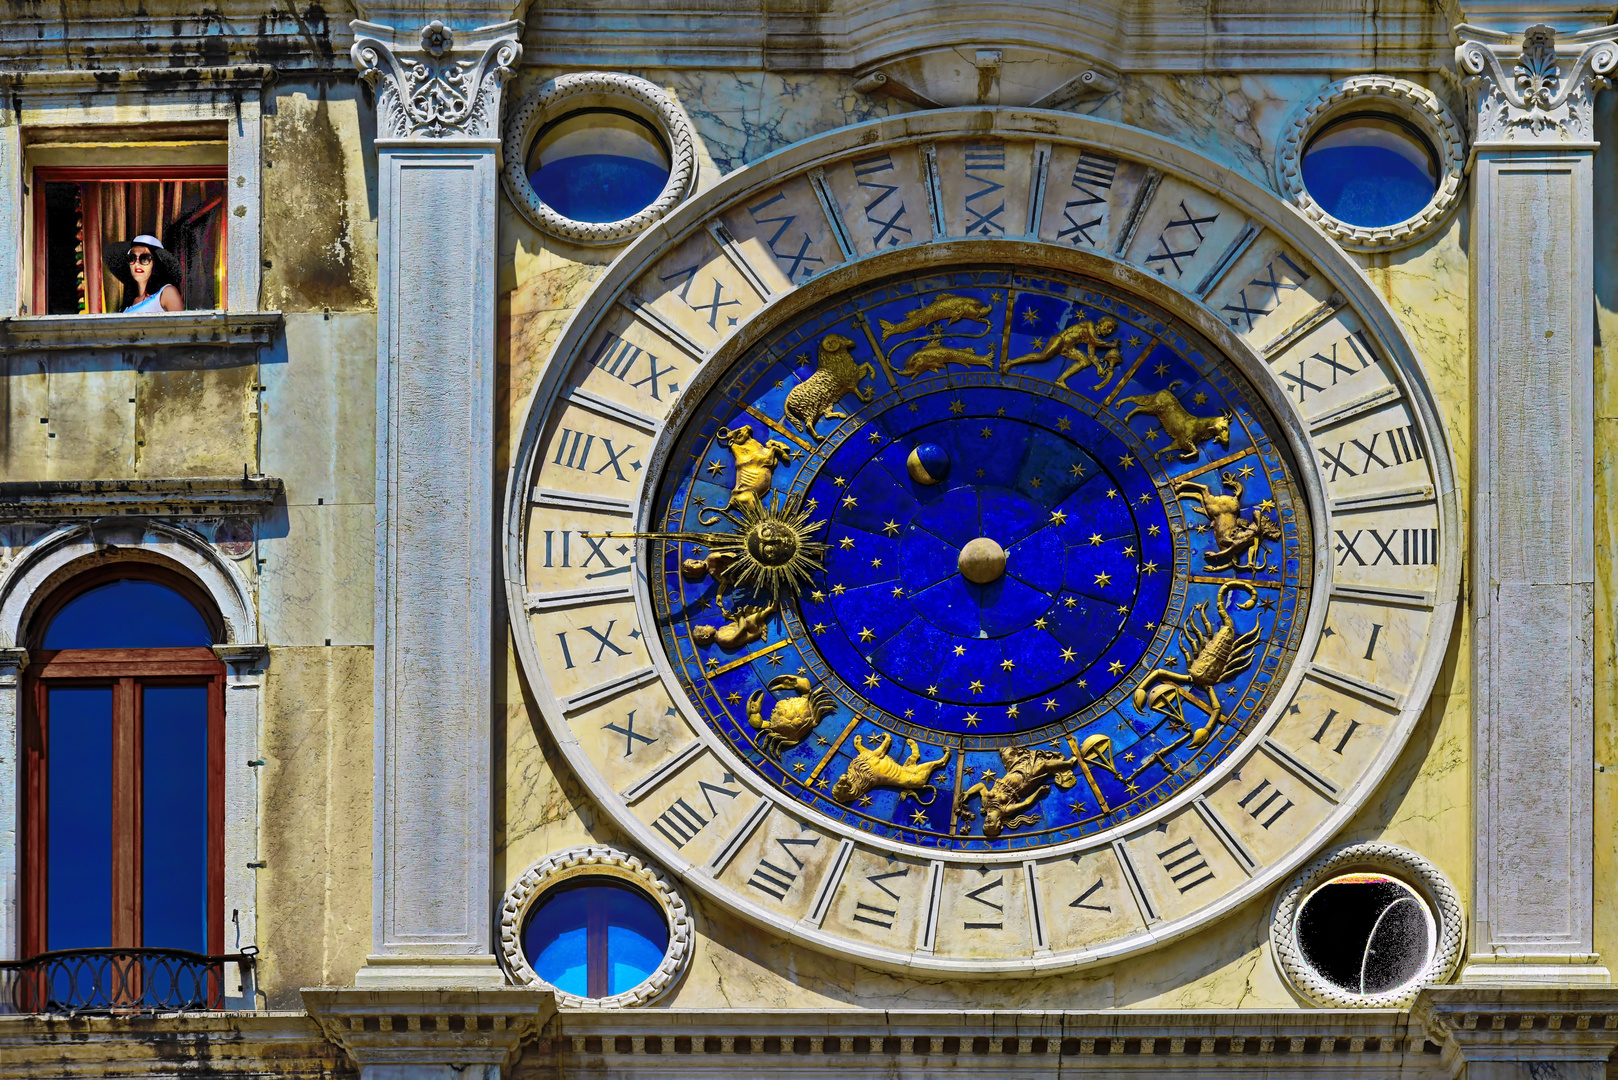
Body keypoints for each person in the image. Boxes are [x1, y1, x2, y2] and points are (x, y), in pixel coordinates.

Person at [102, 234, 184, 313]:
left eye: (144, 258)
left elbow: (182, 325)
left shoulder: (166, 293)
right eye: (132, 258)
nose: (137, 263)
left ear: (156, 263)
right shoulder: (128, 304)